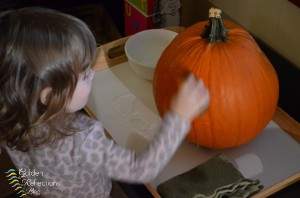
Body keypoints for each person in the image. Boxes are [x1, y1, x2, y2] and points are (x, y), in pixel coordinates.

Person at [0, 7, 210, 198]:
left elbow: (18, 168)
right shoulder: (83, 138)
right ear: (49, 96)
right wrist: (179, 117)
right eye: (83, 74)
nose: (92, 74)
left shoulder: (8, 116)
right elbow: (142, 169)